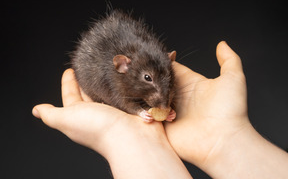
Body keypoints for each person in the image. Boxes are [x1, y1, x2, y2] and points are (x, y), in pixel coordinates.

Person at [32, 41, 288, 178]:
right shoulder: (116, 74)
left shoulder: (154, 72)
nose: (162, 99)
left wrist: (226, 137)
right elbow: (125, 95)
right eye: (149, 80)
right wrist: (134, 115)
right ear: (122, 65)